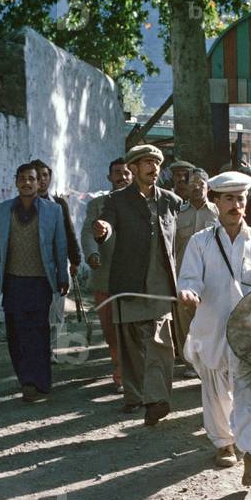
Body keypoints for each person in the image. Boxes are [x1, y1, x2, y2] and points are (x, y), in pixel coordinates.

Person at [177, 171, 251, 484]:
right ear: (215, 202)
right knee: (215, 391)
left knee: (248, 392)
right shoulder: (200, 243)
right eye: (228, 198)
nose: (236, 204)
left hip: (249, 335)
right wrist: (188, 291)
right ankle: (224, 443)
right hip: (210, 331)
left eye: (240, 198)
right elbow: (188, 278)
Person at [92, 144, 183, 426]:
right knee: (131, 345)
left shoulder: (171, 200)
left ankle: (157, 399)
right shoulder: (117, 200)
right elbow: (107, 223)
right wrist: (103, 230)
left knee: (160, 342)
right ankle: (135, 396)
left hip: (160, 283)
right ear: (133, 167)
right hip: (129, 280)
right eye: (147, 162)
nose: (153, 167)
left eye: (156, 163)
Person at [0, 162, 70, 402]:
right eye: (22, 178)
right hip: (13, 281)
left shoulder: (52, 211)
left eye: (31, 178)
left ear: (39, 182)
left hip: (40, 282)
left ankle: (40, 382)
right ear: (16, 182)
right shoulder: (3, 210)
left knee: (38, 333)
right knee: (16, 335)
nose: (27, 182)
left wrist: (63, 276)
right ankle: (26, 381)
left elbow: (60, 247)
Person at [81, 157, 132, 391]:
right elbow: (88, 233)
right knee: (111, 329)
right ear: (109, 177)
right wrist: (92, 255)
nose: (122, 177)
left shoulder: (143, 203)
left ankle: (128, 373)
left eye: (126, 172)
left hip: (135, 278)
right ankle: (118, 365)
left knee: (133, 328)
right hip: (106, 277)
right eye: (117, 173)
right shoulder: (98, 205)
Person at [174, 168, 219, 378]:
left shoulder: (217, 213)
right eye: (192, 184)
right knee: (186, 321)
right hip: (186, 277)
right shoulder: (178, 214)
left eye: (201, 184)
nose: (196, 188)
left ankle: (209, 359)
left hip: (211, 277)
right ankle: (191, 362)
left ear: (208, 187)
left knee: (209, 319)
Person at [34, 161, 81, 360]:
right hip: (34, 267)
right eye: (37, 176)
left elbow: (69, 233)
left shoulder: (59, 204)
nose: (42, 180)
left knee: (56, 310)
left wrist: (75, 259)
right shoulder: (24, 206)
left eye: (45, 175)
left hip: (57, 266)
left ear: (49, 178)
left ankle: (50, 349)